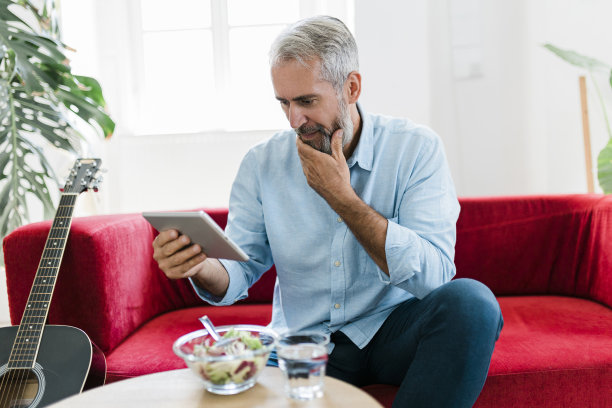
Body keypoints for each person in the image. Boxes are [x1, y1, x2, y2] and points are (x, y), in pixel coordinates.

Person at [153, 15, 503, 408]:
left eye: (306, 101)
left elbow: (435, 275)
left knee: (472, 303)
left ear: (351, 87)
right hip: (303, 342)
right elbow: (238, 272)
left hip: (390, 331)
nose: (294, 121)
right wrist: (199, 265)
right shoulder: (262, 164)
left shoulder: (416, 149)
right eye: (283, 103)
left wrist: (343, 198)